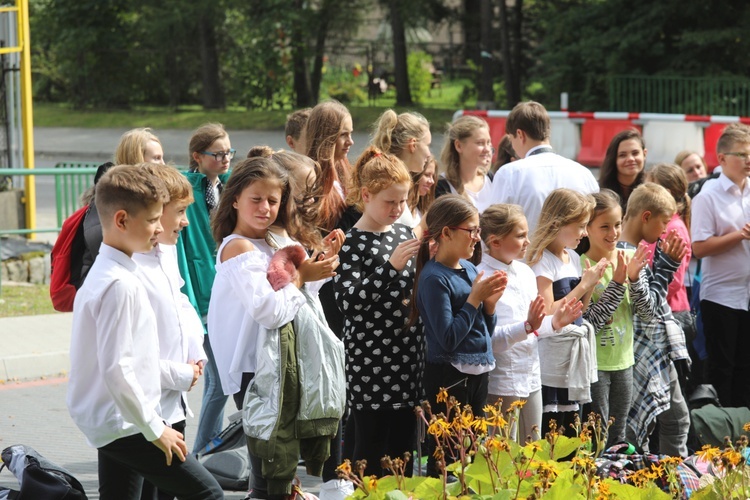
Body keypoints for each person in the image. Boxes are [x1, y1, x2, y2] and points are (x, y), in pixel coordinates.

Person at [66, 165, 223, 500]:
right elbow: (117, 368)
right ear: (122, 220)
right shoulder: (119, 284)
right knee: (208, 493)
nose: (158, 229)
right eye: (153, 220)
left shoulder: (113, 273)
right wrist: (156, 430)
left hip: (120, 419)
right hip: (127, 424)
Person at [208, 156, 343, 499]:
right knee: (269, 469)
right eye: (256, 199)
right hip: (253, 368)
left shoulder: (274, 240)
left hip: (283, 366)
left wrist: (317, 269)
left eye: (273, 200)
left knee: (272, 476)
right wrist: (302, 277)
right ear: (235, 198)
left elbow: (299, 303)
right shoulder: (237, 247)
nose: (265, 208)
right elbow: (269, 311)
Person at [333, 146, 424, 477]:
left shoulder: (403, 233)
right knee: (371, 448)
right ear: (366, 194)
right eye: (390, 201)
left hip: (408, 357)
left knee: (403, 448)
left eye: (403, 201)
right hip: (371, 362)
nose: (398, 209)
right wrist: (390, 267)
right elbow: (348, 303)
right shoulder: (352, 242)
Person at [411, 194, 507, 476]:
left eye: (478, 231)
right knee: (447, 453)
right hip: (449, 374)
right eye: (472, 230)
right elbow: (448, 338)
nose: (477, 238)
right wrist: (475, 300)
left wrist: (489, 307)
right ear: (446, 233)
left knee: (472, 450)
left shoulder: (469, 268)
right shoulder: (434, 277)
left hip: (477, 369)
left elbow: (483, 333)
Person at [132, 164, 209, 500]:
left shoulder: (165, 252)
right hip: (147, 413)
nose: (186, 221)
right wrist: (181, 373)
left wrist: (198, 354)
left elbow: (179, 305)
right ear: (153, 212)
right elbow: (131, 360)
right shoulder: (132, 270)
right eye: (179, 212)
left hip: (172, 405)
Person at [478, 204, 583, 443]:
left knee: (534, 448)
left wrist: (554, 322)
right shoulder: (481, 275)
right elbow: (487, 339)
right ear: (495, 242)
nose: (528, 241)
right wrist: (527, 326)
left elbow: (534, 328)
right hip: (501, 381)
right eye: (520, 235)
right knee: (501, 455)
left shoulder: (525, 272)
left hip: (531, 375)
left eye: (527, 233)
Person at [303, 99, 355, 485]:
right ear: (325, 138)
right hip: (323, 284)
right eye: (343, 135)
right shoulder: (312, 177)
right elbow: (305, 231)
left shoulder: (342, 173)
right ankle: (327, 465)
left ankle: (340, 464)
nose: (350, 142)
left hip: (340, 280)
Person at [526, 188, 606, 437]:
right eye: (581, 225)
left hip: (572, 352)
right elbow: (548, 310)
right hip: (552, 353)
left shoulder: (571, 256)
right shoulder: (543, 259)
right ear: (558, 223)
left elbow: (579, 306)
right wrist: (583, 284)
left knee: (572, 426)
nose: (584, 233)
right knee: (554, 426)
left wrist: (591, 284)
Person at [618, 182, 690, 457]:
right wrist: (667, 267)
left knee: (675, 419)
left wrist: (663, 265)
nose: (665, 230)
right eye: (663, 222)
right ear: (645, 216)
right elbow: (647, 309)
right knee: (641, 429)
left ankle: (674, 478)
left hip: (655, 351)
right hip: (638, 350)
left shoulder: (637, 249)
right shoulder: (627, 253)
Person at [580, 189, 655, 448]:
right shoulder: (581, 266)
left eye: (617, 225)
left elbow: (647, 313)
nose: (613, 233)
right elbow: (588, 322)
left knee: (618, 436)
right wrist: (618, 283)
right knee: (596, 438)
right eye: (604, 226)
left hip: (625, 361)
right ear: (586, 228)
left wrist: (634, 279)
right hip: (594, 365)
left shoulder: (630, 258)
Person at [176, 123, 234, 454]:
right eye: (218, 153)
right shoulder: (187, 189)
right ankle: (203, 452)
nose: (225, 158)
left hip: (223, 292)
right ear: (198, 156)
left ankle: (208, 451)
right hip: (202, 296)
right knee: (220, 380)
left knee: (220, 379)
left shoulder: (225, 186)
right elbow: (186, 246)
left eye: (228, 152)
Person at [691, 123, 750, 409]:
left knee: (745, 370)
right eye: (742, 154)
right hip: (721, 297)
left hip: (747, 295)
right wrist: (739, 235)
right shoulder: (708, 196)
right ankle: (721, 438)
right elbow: (699, 247)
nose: (748, 160)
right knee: (722, 370)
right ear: (723, 159)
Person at [485, 101, 598, 233]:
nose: (513, 147)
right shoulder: (583, 173)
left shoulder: (509, 173)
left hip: (525, 252)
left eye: (511, 139)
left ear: (520, 135)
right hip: (573, 252)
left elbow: (493, 226)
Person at [81, 127, 167, 286]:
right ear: (137, 158)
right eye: (156, 158)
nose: (163, 164)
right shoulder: (111, 197)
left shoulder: (150, 197)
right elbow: (99, 241)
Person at [646, 163, 697, 388]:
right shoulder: (668, 224)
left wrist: (647, 300)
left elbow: (673, 282)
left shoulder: (672, 228)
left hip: (670, 314)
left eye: (650, 187)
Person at [371, 109, 433, 229]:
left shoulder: (393, 180)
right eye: (427, 145)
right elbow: (389, 241)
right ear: (413, 145)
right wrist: (423, 226)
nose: (429, 154)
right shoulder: (388, 184)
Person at [435, 115, 494, 210]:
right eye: (480, 143)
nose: (487, 149)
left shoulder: (490, 178)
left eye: (488, 143)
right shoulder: (442, 186)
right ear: (459, 146)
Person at [599, 129, 648, 212]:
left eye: (635, 153)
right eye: (622, 155)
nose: (630, 159)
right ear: (613, 159)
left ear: (644, 154)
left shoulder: (651, 190)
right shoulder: (599, 192)